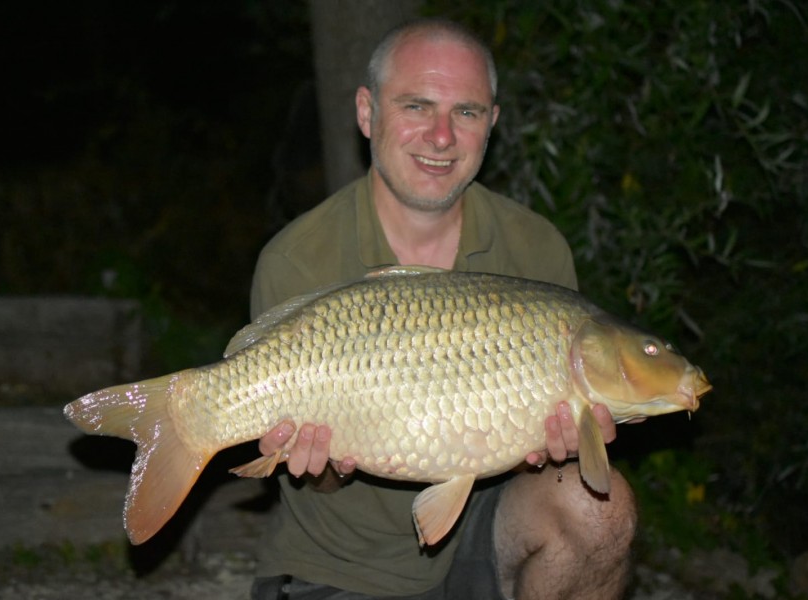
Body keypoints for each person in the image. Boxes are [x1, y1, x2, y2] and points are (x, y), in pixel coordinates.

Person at [241, 18, 637, 600]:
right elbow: (314, 482)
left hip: (485, 528)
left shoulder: (535, 246)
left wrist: (566, 442)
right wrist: (318, 460)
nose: (442, 136)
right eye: (417, 106)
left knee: (598, 508)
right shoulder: (298, 260)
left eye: (467, 113)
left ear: (492, 125)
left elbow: (539, 453)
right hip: (343, 564)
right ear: (367, 112)